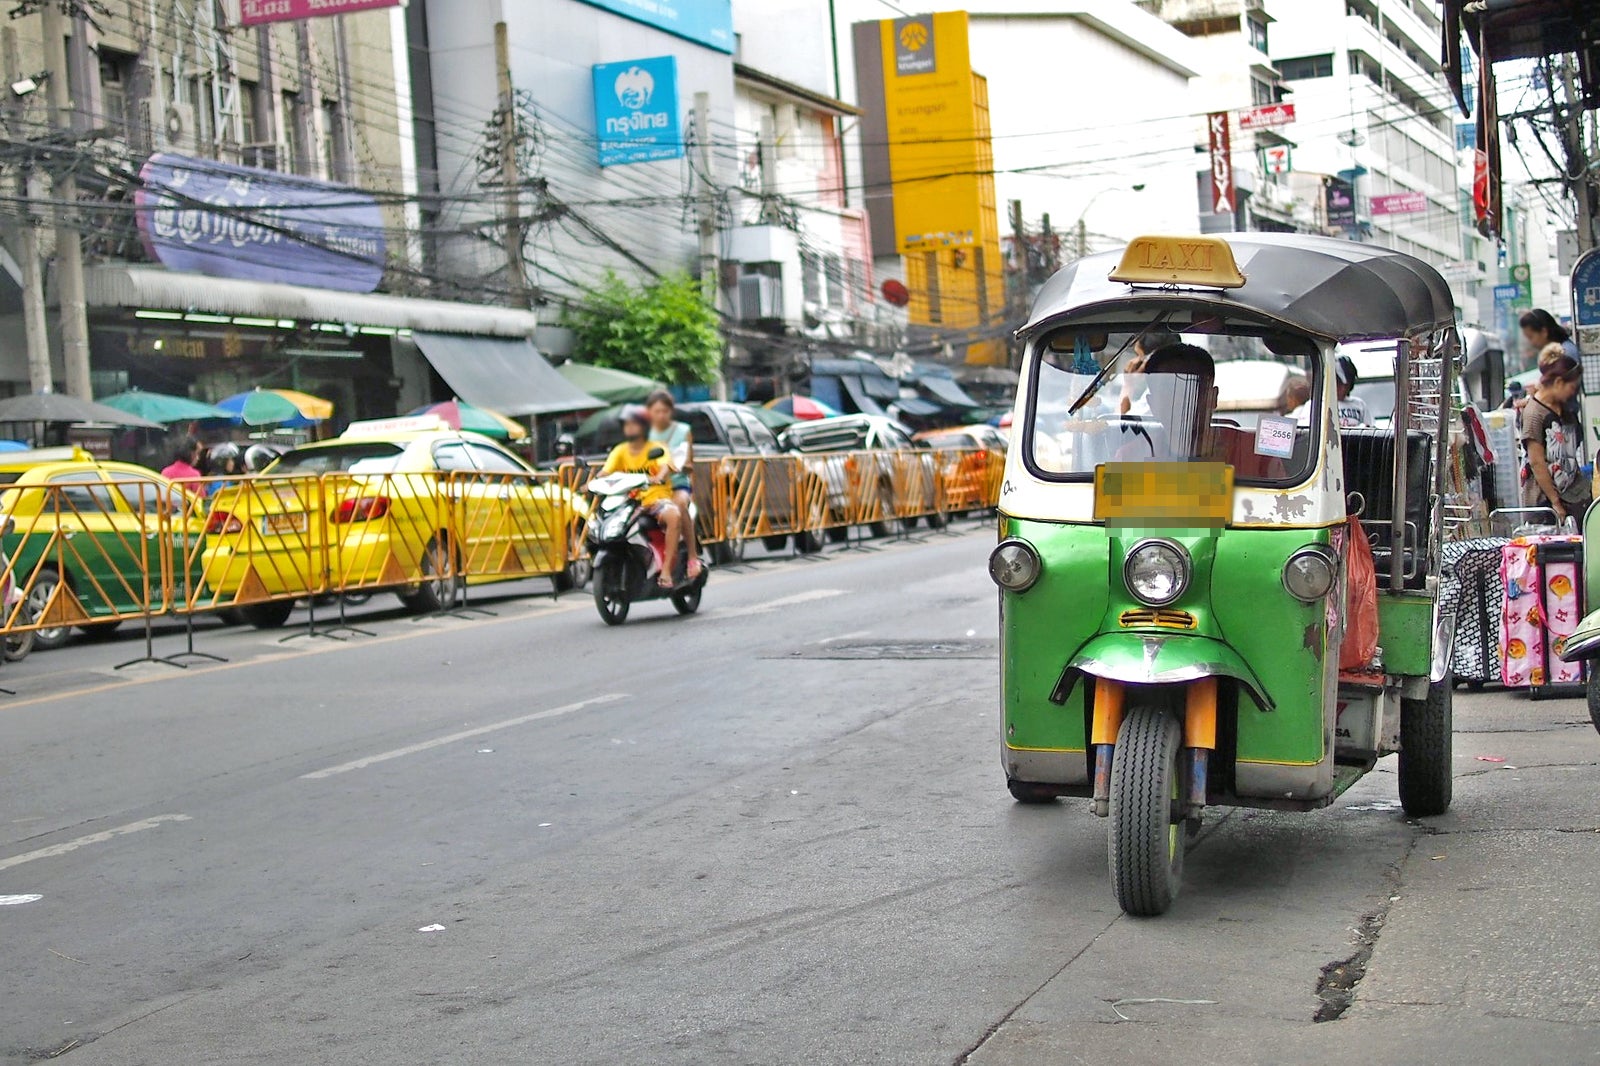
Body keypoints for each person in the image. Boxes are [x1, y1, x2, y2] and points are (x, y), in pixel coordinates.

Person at [599, 407, 687, 588]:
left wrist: (659, 477)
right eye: (627, 424)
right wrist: (594, 482)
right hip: (629, 503)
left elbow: (665, 465)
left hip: (655, 500)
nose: (630, 428)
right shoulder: (620, 450)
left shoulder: (657, 448)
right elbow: (606, 472)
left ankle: (667, 571)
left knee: (673, 516)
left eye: (634, 424)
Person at [1520, 353, 1590, 522]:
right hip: (1546, 504)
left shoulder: (1565, 409)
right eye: (1571, 388)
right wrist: (1555, 502)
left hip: (1575, 494)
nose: (1573, 393)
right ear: (1558, 382)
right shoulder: (1534, 414)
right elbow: (1537, 463)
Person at [645, 390, 702, 580]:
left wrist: (681, 467)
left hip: (677, 485)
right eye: (656, 411)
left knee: (679, 506)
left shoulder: (683, 431)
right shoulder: (645, 434)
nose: (661, 415)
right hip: (653, 488)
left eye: (665, 411)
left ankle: (693, 557)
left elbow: (689, 465)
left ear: (670, 411)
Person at [1119, 326, 1181, 416]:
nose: (1136, 362)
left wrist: (1128, 385)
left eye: (1139, 357)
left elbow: (1122, 423)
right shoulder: (1182, 388)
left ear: (1150, 359)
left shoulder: (1157, 396)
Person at [1293, 356, 1369, 428]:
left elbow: (1370, 428)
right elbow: (1307, 432)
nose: (1343, 389)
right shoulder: (1315, 405)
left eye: (1346, 385)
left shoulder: (1359, 404)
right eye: (1338, 384)